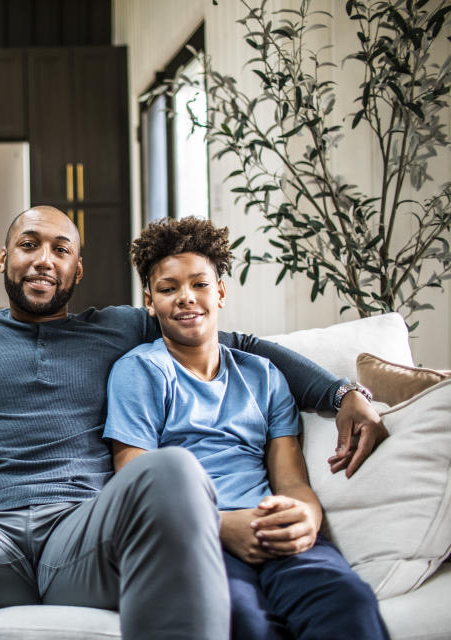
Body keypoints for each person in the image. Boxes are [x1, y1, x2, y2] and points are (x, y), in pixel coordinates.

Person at [0, 206, 387, 639]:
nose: (44, 258)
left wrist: (343, 394)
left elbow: (239, 345)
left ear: (78, 268)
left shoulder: (119, 327)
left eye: (60, 249)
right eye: (28, 244)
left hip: (86, 532)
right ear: (3, 259)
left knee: (173, 471)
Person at [105, 217, 388, 639]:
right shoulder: (140, 372)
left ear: (219, 292)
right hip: (198, 540)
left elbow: (290, 480)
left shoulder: (264, 375)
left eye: (199, 284)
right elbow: (135, 481)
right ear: (150, 301)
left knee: (348, 603)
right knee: (242, 619)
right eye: (168, 289)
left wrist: (306, 518)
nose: (186, 298)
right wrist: (220, 527)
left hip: (272, 529)